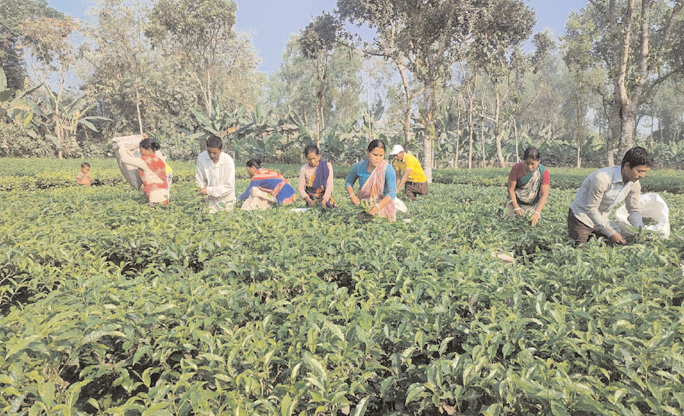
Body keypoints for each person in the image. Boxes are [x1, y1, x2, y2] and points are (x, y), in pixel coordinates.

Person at [568, 146, 653, 245]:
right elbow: (591, 209)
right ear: (627, 166)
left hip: (602, 219)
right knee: (579, 251)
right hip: (582, 218)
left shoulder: (634, 183)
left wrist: (639, 229)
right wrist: (611, 233)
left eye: (644, 172)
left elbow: (634, 209)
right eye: (639, 171)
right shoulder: (602, 178)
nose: (642, 176)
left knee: (616, 245)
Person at [346, 139, 397, 221]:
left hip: (382, 207)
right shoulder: (359, 167)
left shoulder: (387, 169)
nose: (378, 158)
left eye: (381, 155)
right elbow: (349, 182)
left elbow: (392, 193)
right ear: (368, 152)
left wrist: (377, 207)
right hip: (363, 206)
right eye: (375, 155)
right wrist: (351, 195)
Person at [504, 147, 550, 226]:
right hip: (514, 202)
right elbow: (511, 190)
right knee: (509, 224)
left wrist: (537, 212)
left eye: (533, 164)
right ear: (523, 161)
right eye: (527, 163)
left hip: (531, 206)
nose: (529, 167)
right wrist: (516, 208)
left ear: (538, 161)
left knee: (531, 225)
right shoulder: (516, 169)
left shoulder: (543, 172)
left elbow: (544, 195)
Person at [120, 138, 169, 206]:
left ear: (148, 150)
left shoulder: (145, 161)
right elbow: (156, 152)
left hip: (155, 195)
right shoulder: (159, 158)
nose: (140, 153)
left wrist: (121, 146)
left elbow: (125, 159)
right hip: (165, 193)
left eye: (141, 151)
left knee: (155, 214)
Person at [195, 135, 236, 213]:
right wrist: (200, 193)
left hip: (226, 201)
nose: (211, 155)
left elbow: (229, 186)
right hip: (208, 201)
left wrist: (208, 190)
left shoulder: (228, 161)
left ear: (221, 150)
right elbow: (199, 179)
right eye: (209, 152)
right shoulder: (202, 158)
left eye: (215, 153)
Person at [298, 144, 335, 208]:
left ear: (318, 156)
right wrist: (309, 200)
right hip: (311, 200)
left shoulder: (327, 166)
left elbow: (329, 186)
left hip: (326, 198)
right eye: (309, 159)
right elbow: (300, 188)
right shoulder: (304, 169)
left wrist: (324, 200)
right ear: (306, 158)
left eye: (314, 158)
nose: (312, 161)